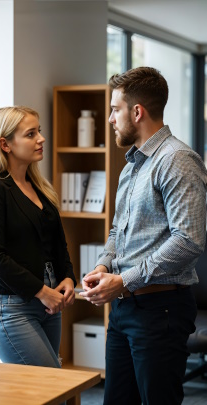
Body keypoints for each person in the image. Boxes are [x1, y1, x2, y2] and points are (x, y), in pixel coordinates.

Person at [79, 67, 207, 404]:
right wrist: (105, 267)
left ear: (137, 112)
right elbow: (118, 231)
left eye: (114, 109)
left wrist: (124, 280)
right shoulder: (133, 165)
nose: (110, 119)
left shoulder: (177, 160)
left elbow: (189, 240)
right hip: (124, 310)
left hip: (160, 310)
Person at [0, 106, 76, 368]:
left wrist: (68, 278)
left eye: (38, 132)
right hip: (11, 308)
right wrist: (42, 292)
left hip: (49, 303)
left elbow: (58, 246)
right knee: (53, 386)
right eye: (31, 134)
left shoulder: (39, 188)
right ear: (5, 144)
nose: (41, 139)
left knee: (51, 391)